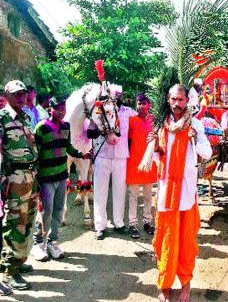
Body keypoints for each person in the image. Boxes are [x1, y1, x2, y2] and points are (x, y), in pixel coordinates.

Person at [149, 84, 211, 302]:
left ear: (187, 101)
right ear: (168, 99)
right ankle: (164, 286)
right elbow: (156, 159)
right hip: (166, 194)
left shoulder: (195, 124)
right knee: (164, 241)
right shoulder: (161, 126)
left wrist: (194, 138)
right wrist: (155, 147)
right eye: (174, 99)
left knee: (186, 243)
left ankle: (185, 285)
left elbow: (207, 152)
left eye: (181, 100)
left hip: (185, 196)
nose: (177, 104)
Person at [30, 96, 90, 261]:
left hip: (62, 176)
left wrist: (81, 154)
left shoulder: (66, 126)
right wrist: (36, 179)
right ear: (50, 108)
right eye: (58, 108)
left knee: (58, 211)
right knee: (45, 211)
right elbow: (36, 154)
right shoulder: (41, 128)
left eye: (63, 109)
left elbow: (68, 146)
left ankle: (52, 242)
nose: (61, 112)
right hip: (46, 178)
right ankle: (38, 244)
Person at [0, 80, 38, 290]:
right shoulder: (2, 118)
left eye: (23, 93)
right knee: (15, 224)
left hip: (30, 176)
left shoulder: (25, 117)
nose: (21, 97)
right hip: (14, 178)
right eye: (16, 94)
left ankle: (18, 261)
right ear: (7, 95)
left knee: (27, 221)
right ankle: (8, 271)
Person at [89, 89, 136, 240]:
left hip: (121, 156)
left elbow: (140, 123)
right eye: (114, 97)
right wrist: (101, 130)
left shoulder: (129, 112)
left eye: (119, 96)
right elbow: (89, 132)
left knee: (120, 191)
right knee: (100, 192)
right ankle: (100, 225)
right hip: (102, 155)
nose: (117, 98)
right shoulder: (98, 111)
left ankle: (119, 223)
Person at [126, 94, 157, 239]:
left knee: (147, 195)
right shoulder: (131, 121)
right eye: (139, 103)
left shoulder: (155, 121)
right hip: (133, 164)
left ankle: (147, 222)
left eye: (144, 103)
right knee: (133, 195)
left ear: (149, 104)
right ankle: (132, 224)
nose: (141, 106)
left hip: (149, 164)